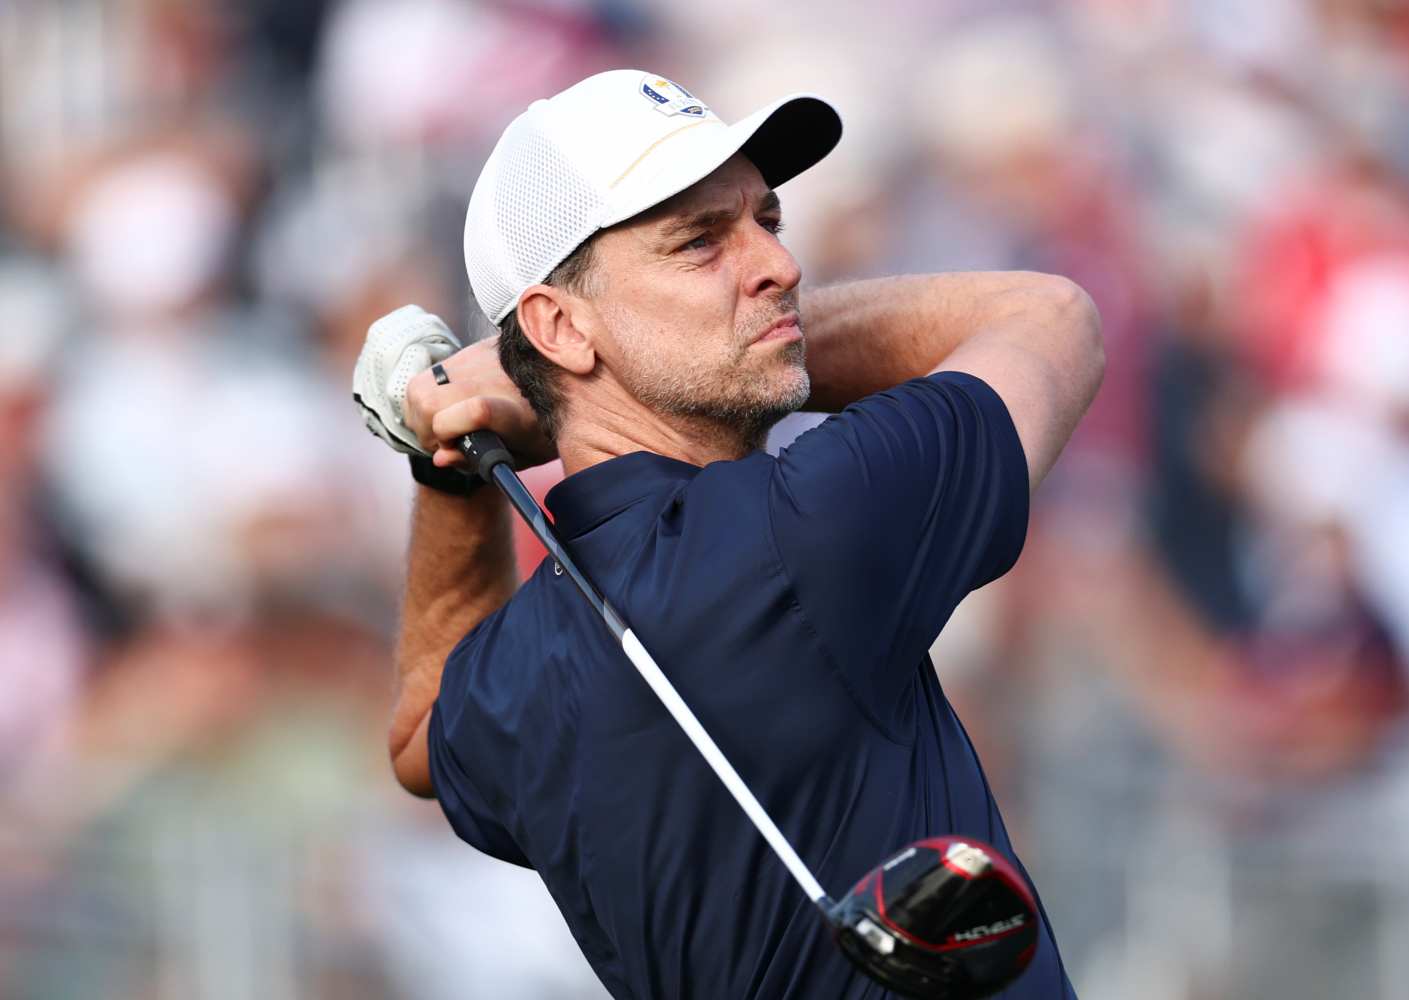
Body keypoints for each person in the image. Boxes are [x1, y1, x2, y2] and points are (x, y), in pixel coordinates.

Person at [354, 70, 1103, 999]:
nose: (780, 268)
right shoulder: (814, 517)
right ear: (558, 325)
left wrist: (453, 463)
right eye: (700, 242)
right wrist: (539, 389)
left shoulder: (515, 669)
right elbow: (1050, 318)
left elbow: (422, 733)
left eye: (768, 222)